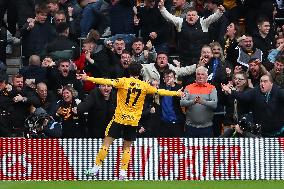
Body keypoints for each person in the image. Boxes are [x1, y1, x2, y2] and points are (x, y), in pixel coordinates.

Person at [78, 63, 183, 180]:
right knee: (127, 148)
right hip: (133, 121)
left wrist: (87, 78)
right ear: (140, 73)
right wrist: (176, 93)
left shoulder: (123, 81)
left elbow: (106, 81)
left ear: (129, 71)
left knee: (106, 143)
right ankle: (122, 173)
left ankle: (95, 169)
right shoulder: (144, 86)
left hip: (119, 118)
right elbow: (160, 92)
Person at [180, 66, 218, 137]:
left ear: (206, 76)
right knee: (190, 148)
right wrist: (193, 102)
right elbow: (182, 103)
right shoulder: (188, 87)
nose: (200, 76)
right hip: (190, 127)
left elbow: (214, 104)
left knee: (207, 148)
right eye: (198, 74)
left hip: (207, 128)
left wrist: (202, 102)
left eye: (202, 74)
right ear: (195, 76)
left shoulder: (212, 88)